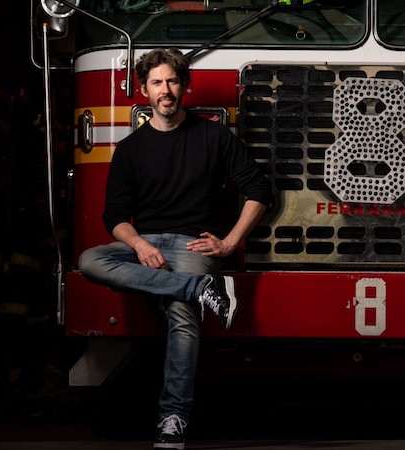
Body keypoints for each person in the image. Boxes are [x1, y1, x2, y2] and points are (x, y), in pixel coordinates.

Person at [78, 47, 273, 450]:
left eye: (171, 81)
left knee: (183, 317)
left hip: (192, 244)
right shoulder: (130, 149)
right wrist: (139, 244)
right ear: (143, 91)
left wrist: (230, 240)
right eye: (156, 83)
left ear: (184, 86)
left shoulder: (213, 136)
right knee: (89, 260)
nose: (165, 90)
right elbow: (114, 216)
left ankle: (173, 419)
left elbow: (259, 189)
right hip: (143, 244)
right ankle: (198, 289)